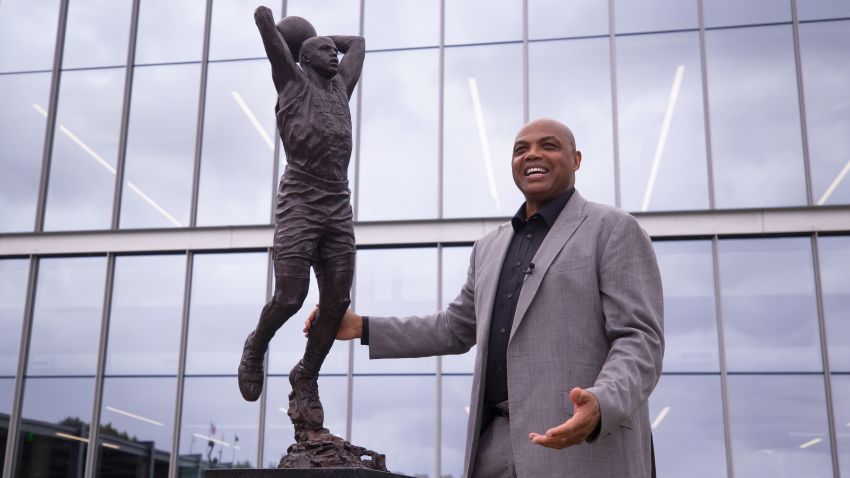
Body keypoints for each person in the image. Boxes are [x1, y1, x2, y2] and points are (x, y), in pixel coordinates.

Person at [306, 118, 664, 477]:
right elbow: (454, 328)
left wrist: (603, 403)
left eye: (549, 146)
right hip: (494, 446)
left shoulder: (614, 229)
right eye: (521, 149)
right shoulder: (488, 247)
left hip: (582, 445)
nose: (533, 155)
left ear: (576, 160)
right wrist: (359, 326)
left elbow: (640, 339)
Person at [238, 6, 365, 442]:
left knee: (337, 299)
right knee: (291, 296)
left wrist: (321, 38)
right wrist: (297, 39)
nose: (335, 55)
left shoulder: (340, 88)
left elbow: (360, 44)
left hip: (337, 203)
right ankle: (257, 344)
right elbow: (264, 23)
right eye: (324, 50)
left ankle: (305, 375)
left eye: (334, 50)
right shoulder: (291, 83)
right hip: (300, 202)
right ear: (304, 59)